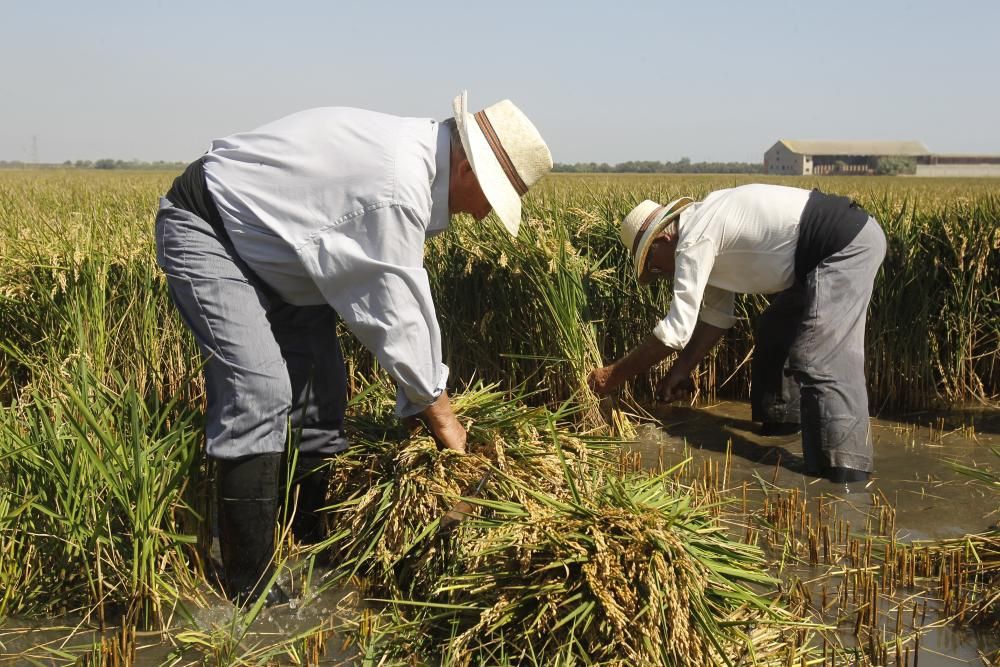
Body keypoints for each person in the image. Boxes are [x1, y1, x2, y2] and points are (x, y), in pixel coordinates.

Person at [154, 92, 552, 605]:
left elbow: (405, 294)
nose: (480, 217)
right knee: (259, 390)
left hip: (288, 254)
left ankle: (309, 541)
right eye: (490, 202)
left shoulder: (414, 166)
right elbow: (398, 315)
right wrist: (442, 416)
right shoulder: (395, 185)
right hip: (213, 231)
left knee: (323, 394)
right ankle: (246, 585)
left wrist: (419, 398)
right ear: (469, 172)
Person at [588, 184, 886, 485]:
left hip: (844, 244)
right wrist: (682, 369)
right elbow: (716, 318)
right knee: (775, 328)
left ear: (662, 239)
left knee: (818, 357)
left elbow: (676, 331)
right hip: (813, 259)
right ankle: (783, 428)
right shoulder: (706, 235)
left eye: (652, 265)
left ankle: (847, 474)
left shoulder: (694, 237)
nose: (659, 273)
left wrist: (611, 376)